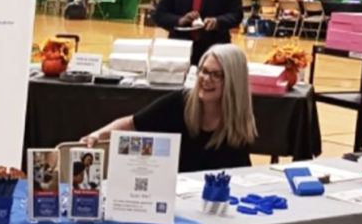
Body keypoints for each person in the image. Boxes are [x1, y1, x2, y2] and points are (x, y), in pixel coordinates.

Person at [80, 44, 256, 172]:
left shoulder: (238, 123)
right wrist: (98, 135)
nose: (206, 79)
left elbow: (241, 175)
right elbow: (132, 123)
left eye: (216, 75)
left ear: (233, 81)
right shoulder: (178, 102)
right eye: (203, 71)